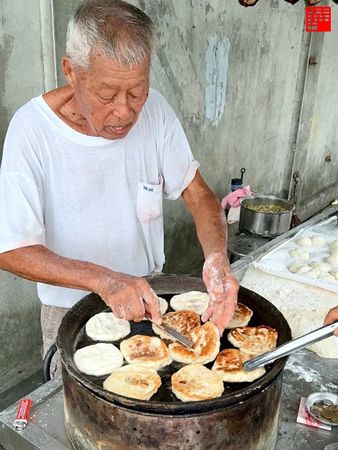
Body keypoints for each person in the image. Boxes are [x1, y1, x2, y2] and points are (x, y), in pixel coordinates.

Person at [0, 0, 238, 369]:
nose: (125, 111)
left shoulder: (156, 111)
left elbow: (198, 193)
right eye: (108, 94)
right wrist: (105, 280)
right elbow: (11, 248)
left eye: (136, 92)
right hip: (71, 311)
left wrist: (217, 257)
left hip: (151, 300)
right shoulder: (33, 130)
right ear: (71, 72)